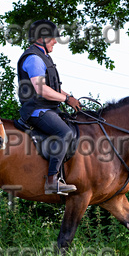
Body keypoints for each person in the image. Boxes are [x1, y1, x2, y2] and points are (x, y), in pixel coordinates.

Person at [17, 19, 81, 195]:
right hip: (36, 110)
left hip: (49, 108)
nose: (55, 41)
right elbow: (41, 89)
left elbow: (53, 87)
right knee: (65, 133)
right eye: (53, 38)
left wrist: (70, 97)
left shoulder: (44, 57)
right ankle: (52, 180)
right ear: (43, 38)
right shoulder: (34, 58)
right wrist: (66, 99)